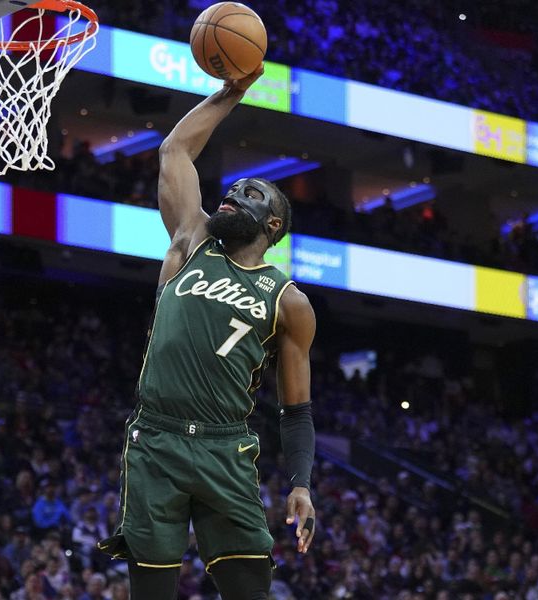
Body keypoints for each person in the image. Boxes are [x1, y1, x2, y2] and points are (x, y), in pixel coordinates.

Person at [98, 66, 317, 600]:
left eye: (253, 194)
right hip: (157, 439)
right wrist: (232, 92)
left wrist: (302, 484)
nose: (235, 193)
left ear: (272, 227)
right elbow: (175, 151)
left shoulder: (289, 301)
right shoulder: (191, 240)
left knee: (249, 591)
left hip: (225, 450)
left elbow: (297, 409)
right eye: (235, 187)